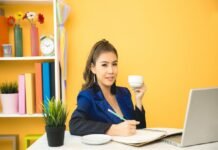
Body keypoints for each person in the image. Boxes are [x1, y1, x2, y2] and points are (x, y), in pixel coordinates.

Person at [69, 39, 147, 136]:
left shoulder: (124, 93)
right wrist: (112, 129)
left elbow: (139, 131)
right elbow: (74, 124)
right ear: (93, 68)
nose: (111, 70)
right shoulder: (88, 96)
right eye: (104, 65)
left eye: (114, 64)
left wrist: (138, 100)